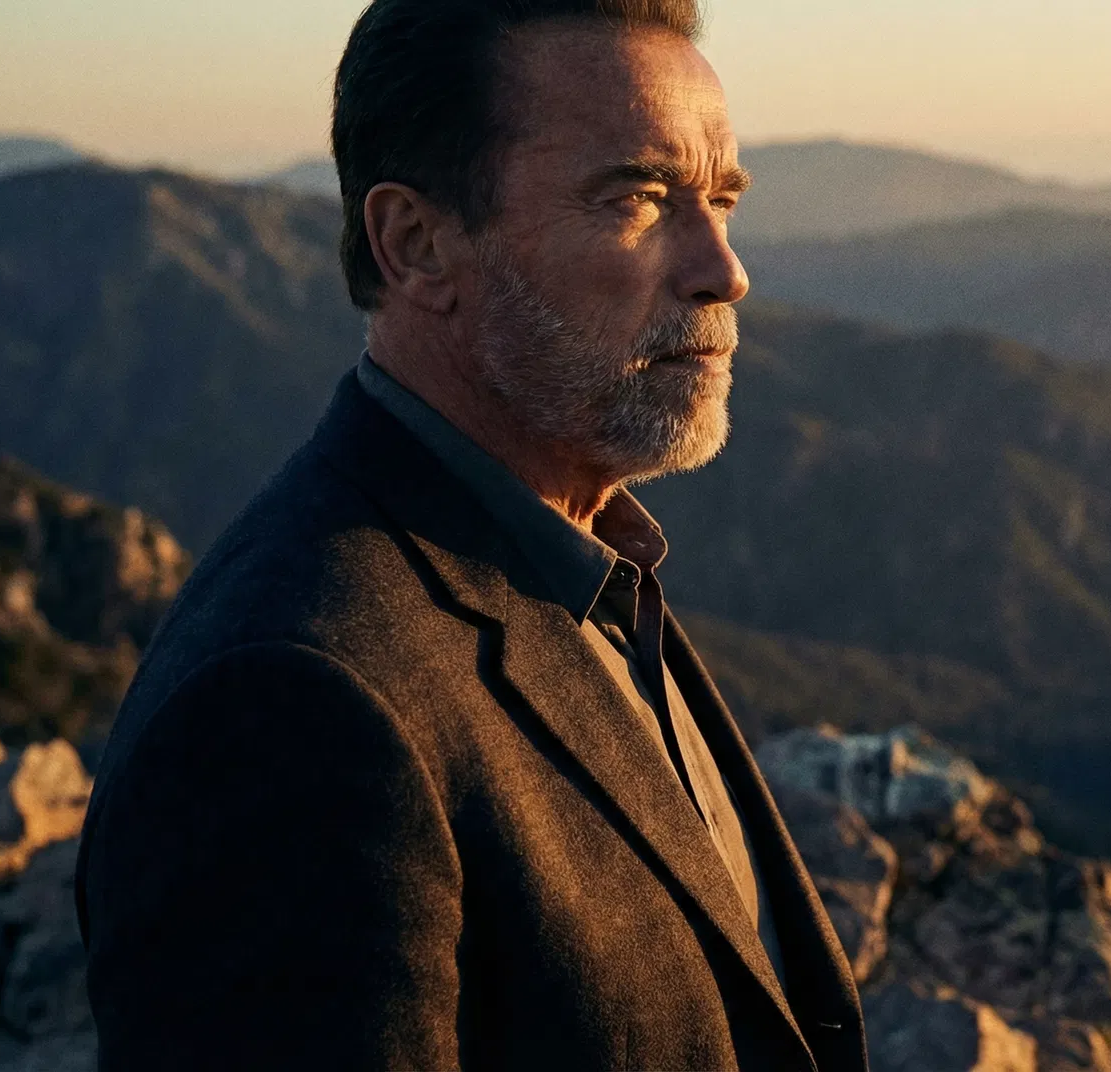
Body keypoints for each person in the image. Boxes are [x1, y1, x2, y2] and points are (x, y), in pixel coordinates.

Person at [74, 1, 868, 1068]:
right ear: (416, 244)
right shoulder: (293, 702)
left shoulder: (584, 568)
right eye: (637, 197)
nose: (724, 270)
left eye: (721, 198)